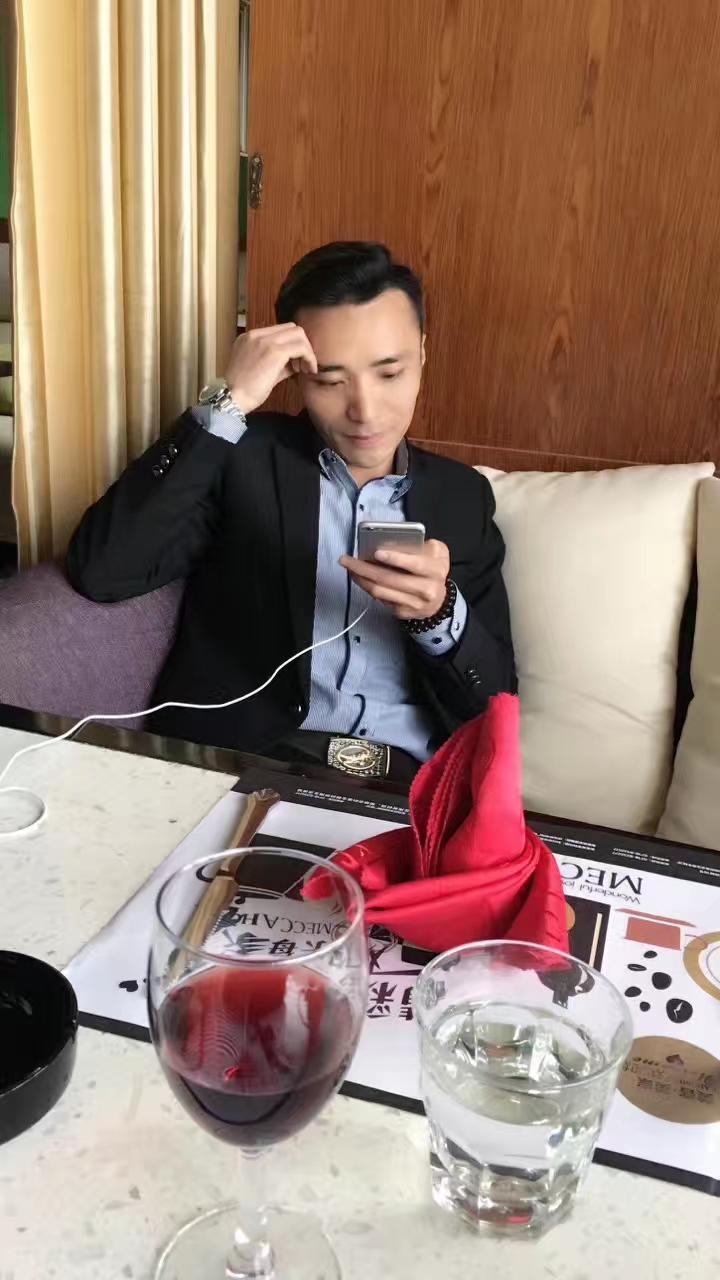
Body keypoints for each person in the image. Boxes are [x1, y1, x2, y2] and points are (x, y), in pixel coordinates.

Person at [67, 241, 515, 782]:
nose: (364, 411)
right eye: (329, 381)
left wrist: (439, 615)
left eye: (390, 374)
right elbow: (102, 572)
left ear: (422, 352)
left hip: (404, 787)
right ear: (296, 373)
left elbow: (497, 702)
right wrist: (229, 400)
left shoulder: (463, 496)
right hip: (249, 765)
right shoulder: (238, 454)